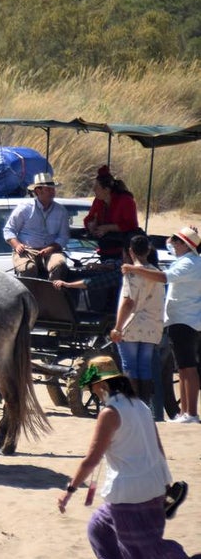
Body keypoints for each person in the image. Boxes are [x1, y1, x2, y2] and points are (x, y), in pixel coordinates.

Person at [57, 356, 201, 559]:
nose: (93, 392)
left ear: (102, 385)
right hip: (152, 487)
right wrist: (165, 484)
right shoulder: (140, 406)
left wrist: (69, 490)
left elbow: (91, 460)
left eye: (93, 386)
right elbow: (158, 448)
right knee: (99, 528)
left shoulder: (110, 413)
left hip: (129, 496)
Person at [122, 225, 201, 423]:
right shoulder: (188, 259)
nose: (172, 243)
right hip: (182, 318)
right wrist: (188, 234)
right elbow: (167, 244)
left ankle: (191, 413)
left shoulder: (188, 263)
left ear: (185, 245)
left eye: (176, 241)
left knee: (188, 367)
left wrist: (134, 268)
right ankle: (185, 413)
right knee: (182, 368)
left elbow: (163, 277)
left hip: (184, 319)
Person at [104, 235, 165, 407]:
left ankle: (132, 406)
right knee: (144, 367)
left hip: (132, 325)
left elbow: (128, 302)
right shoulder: (156, 273)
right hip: (152, 325)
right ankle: (144, 405)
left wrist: (117, 327)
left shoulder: (131, 274)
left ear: (130, 251)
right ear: (148, 250)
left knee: (129, 366)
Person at [3, 172, 71, 281]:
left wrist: (51, 248)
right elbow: (9, 230)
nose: (52, 192)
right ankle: (30, 292)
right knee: (28, 268)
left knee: (59, 264)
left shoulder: (61, 211)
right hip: (27, 251)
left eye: (53, 189)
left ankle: (52, 291)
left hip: (52, 251)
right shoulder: (24, 208)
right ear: (38, 191)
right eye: (48, 189)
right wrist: (17, 245)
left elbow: (63, 236)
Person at [84, 165, 140, 260]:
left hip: (123, 252)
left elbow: (131, 225)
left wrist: (108, 228)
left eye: (96, 187)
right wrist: (91, 225)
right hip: (104, 249)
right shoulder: (98, 201)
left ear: (106, 190)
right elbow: (89, 218)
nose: (94, 190)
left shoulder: (126, 200)